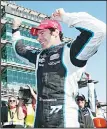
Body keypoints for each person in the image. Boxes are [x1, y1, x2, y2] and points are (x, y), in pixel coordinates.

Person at [12, 8, 106, 127]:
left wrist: (65, 17)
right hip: (40, 123)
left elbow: (99, 30)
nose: (38, 38)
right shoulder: (39, 55)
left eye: (42, 33)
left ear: (55, 32)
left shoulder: (70, 51)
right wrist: (15, 29)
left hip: (65, 123)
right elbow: (19, 49)